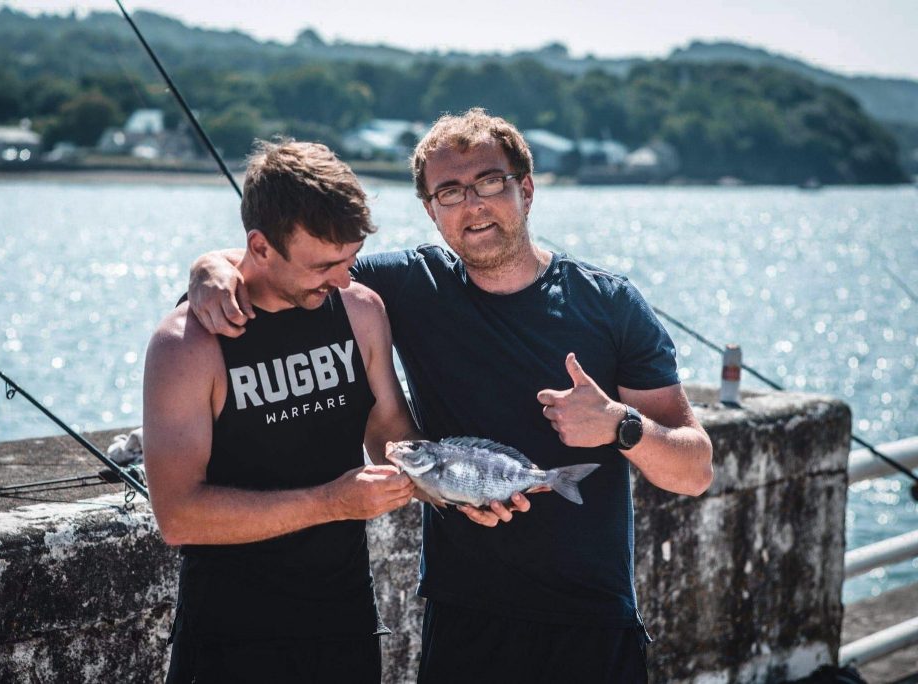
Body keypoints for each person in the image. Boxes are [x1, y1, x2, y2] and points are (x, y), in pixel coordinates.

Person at [187, 109, 714, 682]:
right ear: (430, 209)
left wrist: (621, 425)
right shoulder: (408, 285)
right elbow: (292, 261)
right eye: (450, 191)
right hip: (463, 616)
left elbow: (694, 470)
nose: (473, 204)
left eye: (490, 182)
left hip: (591, 618)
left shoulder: (610, 304)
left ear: (526, 189)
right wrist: (209, 267)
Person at [142, 140, 420, 683]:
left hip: (347, 631)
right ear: (261, 247)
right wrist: (330, 503)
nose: (342, 279)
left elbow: (387, 428)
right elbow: (178, 515)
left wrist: (459, 485)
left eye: (350, 259)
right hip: (230, 642)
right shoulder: (187, 345)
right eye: (323, 265)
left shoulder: (360, 311)